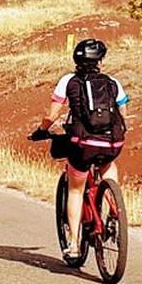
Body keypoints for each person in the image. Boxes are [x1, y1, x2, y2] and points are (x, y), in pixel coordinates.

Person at [43, 39, 129, 262]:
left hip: (83, 145)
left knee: (75, 190)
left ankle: (73, 246)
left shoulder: (67, 81)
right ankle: (113, 208)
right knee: (108, 163)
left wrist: (41, 130)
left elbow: (52, 116)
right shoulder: (112, 83)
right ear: (100, 61)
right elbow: (124, 113)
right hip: (112, 143)